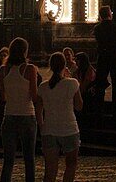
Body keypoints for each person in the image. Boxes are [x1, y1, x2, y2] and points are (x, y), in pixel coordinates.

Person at [0, 37, 39, 182]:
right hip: (27, 115)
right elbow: (34, 96)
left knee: (8, 160)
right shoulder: (29, 69)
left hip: (9, 115)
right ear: (25, 51)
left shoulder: (3, 69)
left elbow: (3, 96)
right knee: (29, 159)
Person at [38, 52, 82, 182]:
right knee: (71, 165)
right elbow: (79, 106)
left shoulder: (43, 86)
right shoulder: (72, 83)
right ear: (64, 66)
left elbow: (38, 110)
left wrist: (42, 127)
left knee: (50, 169)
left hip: (49, 130)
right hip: (69, 128)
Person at [92, 6, 116, 115]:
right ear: (110, 14)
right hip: (115, 57)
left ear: (101, 15)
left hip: (103, 57)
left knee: (100, 82)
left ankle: (99, 107)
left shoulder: (97, 28)